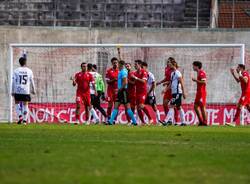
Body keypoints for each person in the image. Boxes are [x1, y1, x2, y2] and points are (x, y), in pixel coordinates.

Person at [107, 60, 137, 125]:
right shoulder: (122, 71)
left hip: (123, 91)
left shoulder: (123, 72)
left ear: (120, 65)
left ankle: (134, 121)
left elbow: (125, 82)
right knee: (116, 106)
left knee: (128, 108)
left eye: (119, 64)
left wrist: (119, 89)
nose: (118, 66)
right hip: (120, 91)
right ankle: (110, 121)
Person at [12, 57, 36, 125]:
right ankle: (25, 121)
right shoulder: (29, 71)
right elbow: (32, 81)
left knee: (17, 103)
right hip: (26, 91)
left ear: (19, 63)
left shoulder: (16, 70)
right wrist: (33, 90)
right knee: (26, 104)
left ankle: (20, 116)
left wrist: (12, 91)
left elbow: (13, 81)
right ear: (25, 62)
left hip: (18, 90)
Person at [156, 57, 179, 125]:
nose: (167, 63)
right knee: (165, 104)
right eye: (167, 61)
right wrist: (160, 82)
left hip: (173, 89)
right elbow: (167, 78)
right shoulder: (167, 69)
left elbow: (174, 80)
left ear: (172, 63)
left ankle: (176, 121)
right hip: (168, 88)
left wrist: (167, 83)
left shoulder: (175, 70)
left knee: (174, 106)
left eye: (169, 62)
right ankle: (169, 120)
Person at [164, 59, 186, 126]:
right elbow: (171, 83)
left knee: (171, 105)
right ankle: (183, 122)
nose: (169, 65)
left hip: (177, 92)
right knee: (179, 107)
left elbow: (182, 83)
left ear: (174, 65)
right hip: (174, 92)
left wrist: (183, 92)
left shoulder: (178, 73)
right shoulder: (172, 73)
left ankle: (165, 121)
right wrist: (166, 89)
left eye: (170, 64)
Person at [132, 60, 153, 125]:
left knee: (141, 105)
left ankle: (150, 119)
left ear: (140, 65)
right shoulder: (135, 73)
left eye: (136, 64)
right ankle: (143, 122)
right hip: (137, 91)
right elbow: (134, 82)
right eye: (134, 64)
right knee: (138, 108)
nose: (134, 66)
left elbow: (144, 81)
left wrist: (135, 78)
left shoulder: (144, 72)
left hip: (143, 92)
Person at [192, 61, 207, 126]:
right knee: (195, 106)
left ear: (197, 66)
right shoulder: (198, 73)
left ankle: (205, 122)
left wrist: (196, 80)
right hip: (198, 92)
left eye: (193, 66)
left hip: (201, 92)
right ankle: (201, 121)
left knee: (202, 107)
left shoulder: (201, 72)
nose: (193, 67)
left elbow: (204, 82)